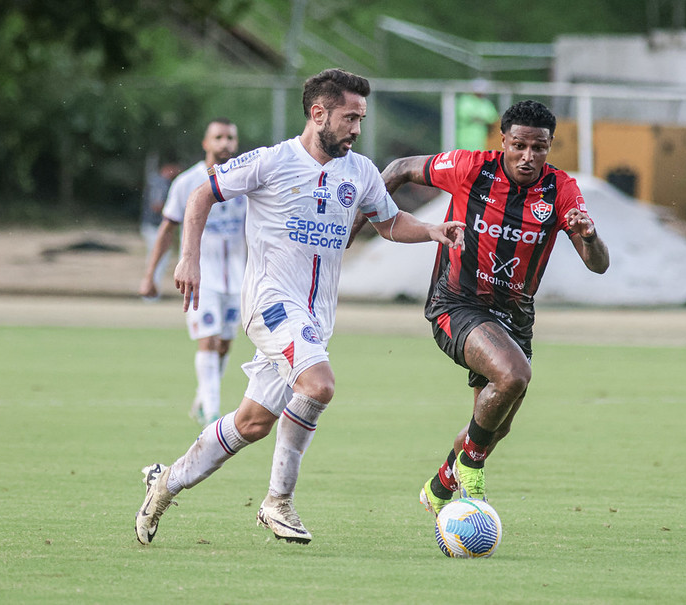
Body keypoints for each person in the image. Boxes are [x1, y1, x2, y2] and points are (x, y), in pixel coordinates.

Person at [134, 68, 465, 546]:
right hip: (270, 303)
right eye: (350, 118)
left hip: (315, 319)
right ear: (318, 113)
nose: (357, 128)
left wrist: (432, 231)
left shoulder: (361, 172)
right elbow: (203, 191)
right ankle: (277, 503)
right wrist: (188, 257)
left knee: (252, 423)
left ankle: (165, 483)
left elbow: (390, 222)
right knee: (319, 384)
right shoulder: (271, 162)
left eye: (361, 119)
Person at [366, 99, 610, 515]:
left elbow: (598, 266)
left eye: (539, 148)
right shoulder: (471, 168)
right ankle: (471, 474)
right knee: (513, 375)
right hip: (455, 302)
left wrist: (588, 236)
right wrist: (359, 223)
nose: (528, 156)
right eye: (519, 145)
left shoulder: (560, 190)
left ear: (550, 146)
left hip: (514, 316)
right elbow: (400, 168)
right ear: (503, 140)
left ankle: (442, 482)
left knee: (497, 424)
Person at [138, 118, 246, 427]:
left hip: (237, 278)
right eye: (219, 137)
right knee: (208, 340)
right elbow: (166, 230)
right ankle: (212, 412)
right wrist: (150, 275)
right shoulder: (187, 182)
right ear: (206, 143)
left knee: (224, 344)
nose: (225, 143)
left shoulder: (245, 181)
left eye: (230, 137)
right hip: (202, 277)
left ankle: (202, 398)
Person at [140, 159, 181, 299]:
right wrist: (175, 210)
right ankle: (150, 292)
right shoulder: (161, 183)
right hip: (155, 226)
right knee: (158, 259)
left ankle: (151, 291)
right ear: (168, 167)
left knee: (158, 259)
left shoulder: (156, 181)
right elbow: (157, 205)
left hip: (152, 225)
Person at [455, 78, 500, 151]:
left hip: (480, 141)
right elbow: (466, 116)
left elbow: (493, 119)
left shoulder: (486, 103)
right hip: (463, 140)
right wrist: (483, 119)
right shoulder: (465, 101)